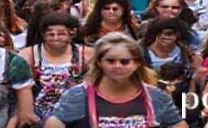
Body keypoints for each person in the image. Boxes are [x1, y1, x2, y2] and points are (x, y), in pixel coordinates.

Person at [45, 32, 187, 128]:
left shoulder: (157, 97)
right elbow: (54, 122)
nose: (117, 66)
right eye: (111, 61)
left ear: (137, 63)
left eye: (125, 62)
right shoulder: (79, 95)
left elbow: (178, 124)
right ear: (100, 62)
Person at [18, 11, 88, 121]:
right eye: (51, 34)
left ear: (72, 33)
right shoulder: (28, 55)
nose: (55, 38)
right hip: (39, 115)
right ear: (43, 35)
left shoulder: (86, 54)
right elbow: (21, 88)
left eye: (61, 34)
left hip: (77, 114)